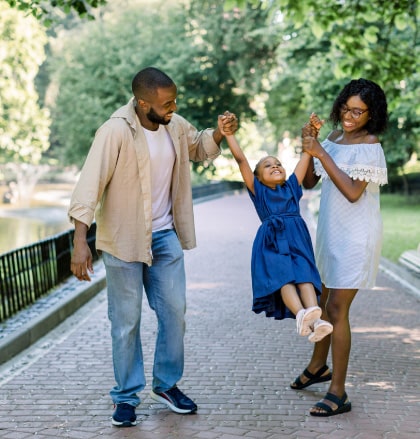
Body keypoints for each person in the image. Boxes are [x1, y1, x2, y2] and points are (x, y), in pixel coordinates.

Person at [68, 67, 238, 427]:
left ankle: (167, 385)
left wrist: (219, 134)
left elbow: (198, 147)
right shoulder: (115, 131)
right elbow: (89, 186)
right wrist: (80, 240)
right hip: (123, 241)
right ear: (143, 103)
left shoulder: (174, 125)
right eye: (166, 103)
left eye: (175, 100)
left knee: (174, 313)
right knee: (126, 323)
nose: (174, 107)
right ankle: (126, 396)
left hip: (165, 236)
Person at [291, 78, 388, 417]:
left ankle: (339, 392)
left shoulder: (370, 145)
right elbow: (309, 181)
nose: (349, 116)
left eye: (358, 111)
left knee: (336, 311)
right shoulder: (332, 139)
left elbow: (352, 191)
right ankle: (318, 367)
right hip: (330, 233)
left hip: (356, 237)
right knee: (320, 302)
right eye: (346, 109)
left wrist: (320, 153)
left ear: (371, 114)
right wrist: (311, 144)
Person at [218, 117, 333, 342]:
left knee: (305, 275)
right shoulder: (258, 191)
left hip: (297, 237)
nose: (275, 166)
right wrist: (229, 134)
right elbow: (241, 160)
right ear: (258, 178)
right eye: (267, 165)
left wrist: (311, 134)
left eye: (278, 163)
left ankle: (315, 319)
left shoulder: (291, 186)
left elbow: (305, 156)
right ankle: (300, 314)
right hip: (272, 239)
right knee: (284, 278)